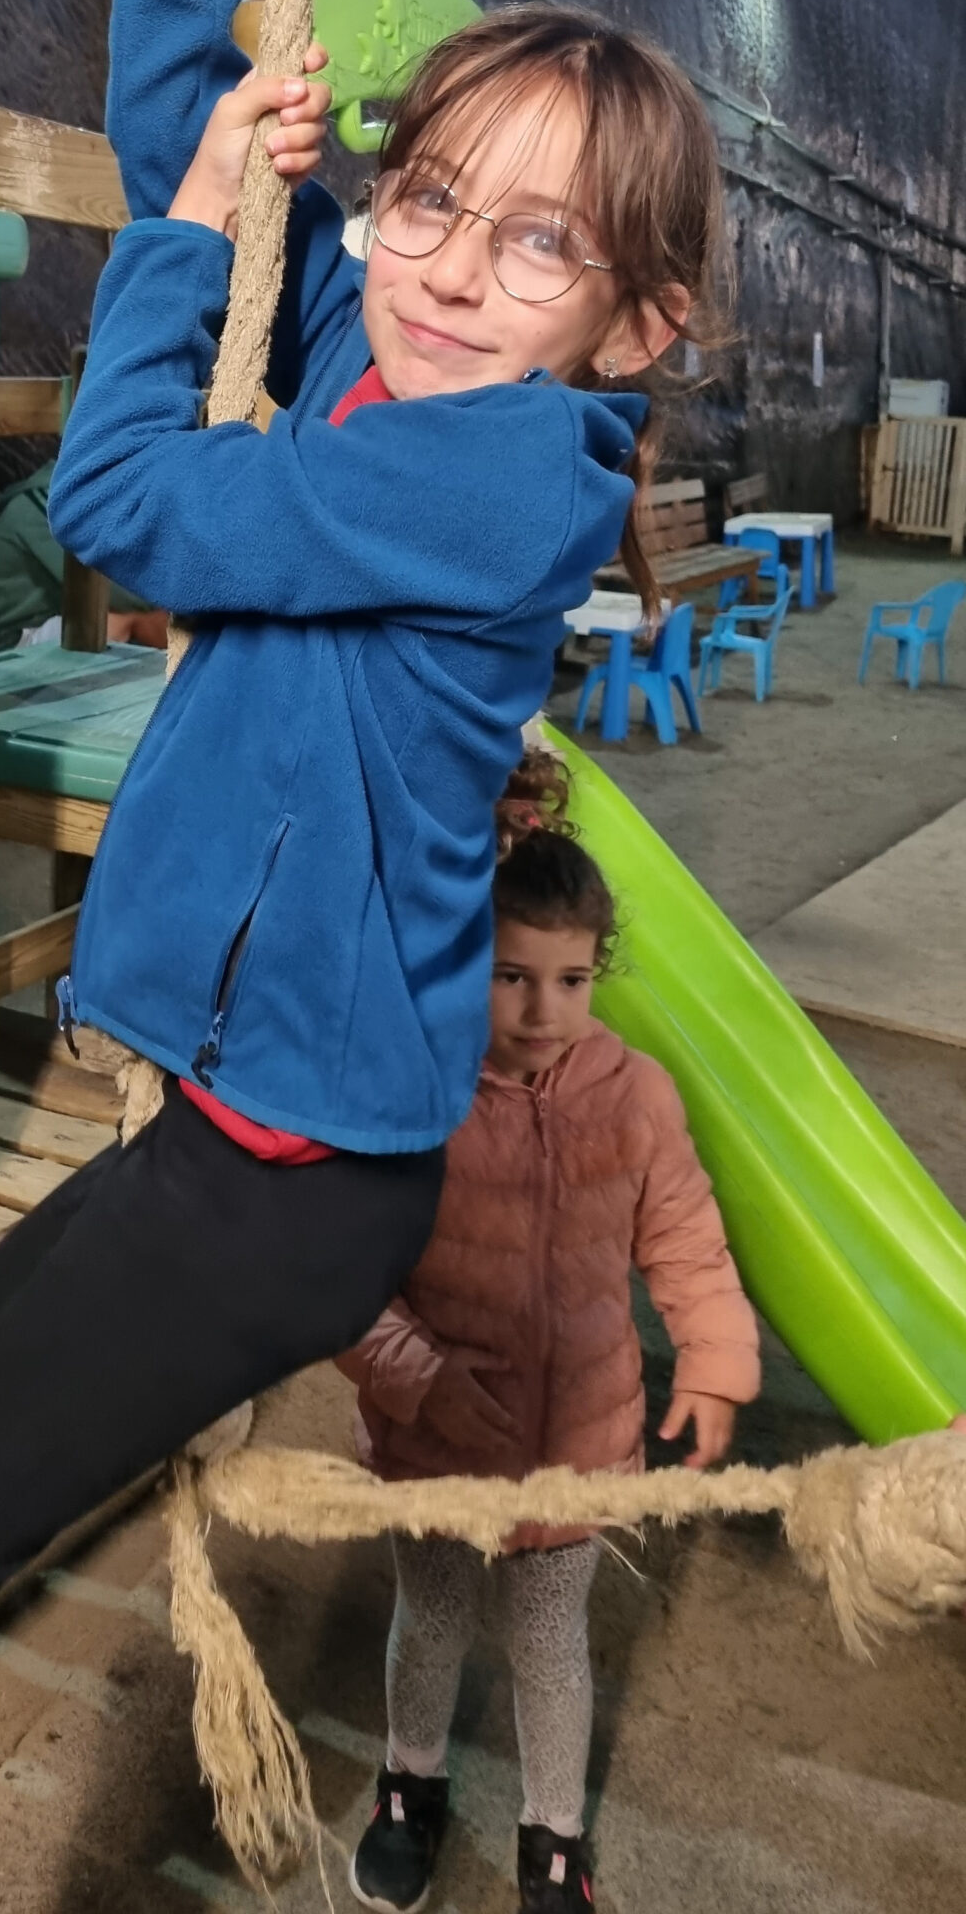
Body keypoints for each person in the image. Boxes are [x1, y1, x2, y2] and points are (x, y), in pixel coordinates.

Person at [0, 0, 727, 1913]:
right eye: (426, 198)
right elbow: (181, 112)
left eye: (535, 245)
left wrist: (189, 244)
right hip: (230, 1124)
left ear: (630, 326)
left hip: (288, 1179)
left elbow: (123, 505)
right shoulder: (386, 360)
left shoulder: (498, 472)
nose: (444, 262)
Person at [342, 813, 760, 1914]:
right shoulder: (417, 1097)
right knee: (431, 1619)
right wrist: (419, 1381)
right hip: (438, 1447)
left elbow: (685, 1236)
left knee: (549, 1642)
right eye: (512, 977)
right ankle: (409, 1783)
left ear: (597, 973)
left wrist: (713, 1358)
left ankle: (554, 1835)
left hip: (580, 1443)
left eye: (571, 980)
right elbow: (344, 1279)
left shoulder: (637, 1097)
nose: (543, 1011)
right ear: (466, 965)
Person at [0, 455, 167, 652]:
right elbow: (128, 591)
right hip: (7, 649)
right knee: (114, 624)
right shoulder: (50, 504)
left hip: (62, 628)